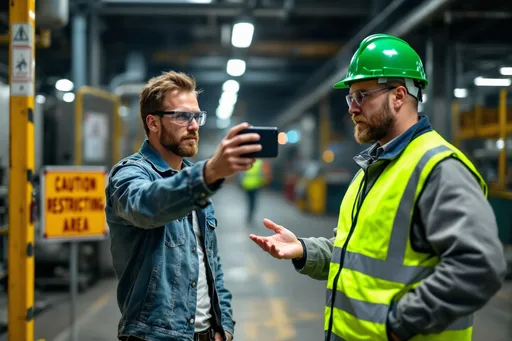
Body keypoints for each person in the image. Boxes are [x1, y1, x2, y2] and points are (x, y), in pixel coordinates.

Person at [249, 34, 507, 341]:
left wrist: (399, 324)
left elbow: (479, 266)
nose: (352, 109)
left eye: (361, 96)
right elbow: (355, 254)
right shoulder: (372, 168)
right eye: (350, 98)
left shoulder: (439, 169)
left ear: (398, 96)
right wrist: (304, 250)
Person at [105, 71, 262, 341]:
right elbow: (146, 206)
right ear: (153, 123)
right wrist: (208, 174)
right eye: (182, 116)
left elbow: (211, 264)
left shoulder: (194, 180)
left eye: (197, 116)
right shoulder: (129, 174)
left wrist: (224, 327)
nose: (194, 126)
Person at [239, 158, 272, 224]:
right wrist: (263, 182)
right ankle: (251, 213)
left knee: (249, 200)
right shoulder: (259, 162)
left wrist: (241, 183)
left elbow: (241, 174)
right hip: (256, 185)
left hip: (247, 184)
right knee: (253, 201)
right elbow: (262, 174)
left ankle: (250, 213)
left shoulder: (246, 161)